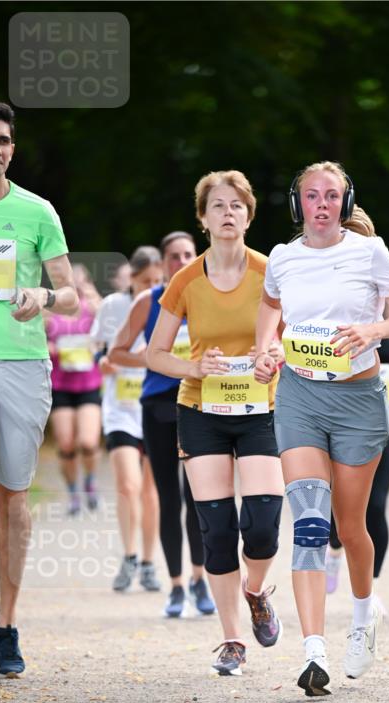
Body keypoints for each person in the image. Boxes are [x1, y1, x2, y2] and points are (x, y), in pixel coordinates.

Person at [254, 162, 389, 697]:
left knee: (350, 526)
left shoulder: (371, 252)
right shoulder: (282, 257)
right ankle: (313, 651)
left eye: (332, 195)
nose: (322, 204)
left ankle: (363, 615)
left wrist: (374, 329)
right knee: (310, 521)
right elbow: (269, 306)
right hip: (300, 396)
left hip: (359, 400)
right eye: (313, 195)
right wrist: (265, 348)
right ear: (298, 204)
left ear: (346, 201)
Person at [147, 170, 284, 676]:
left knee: (263, 524)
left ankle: (256, 592)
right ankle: (232, 641)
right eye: (218, 206)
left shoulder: (271, 272)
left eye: (237, 205)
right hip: (201, 410)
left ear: (249, 216)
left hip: (261, 408)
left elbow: (293, 338)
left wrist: (275, 354)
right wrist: (194, 367)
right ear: (203, 218)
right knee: (217, 529)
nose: (228, 213)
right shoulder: (186, 280)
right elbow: (154, 354)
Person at [0, 101, 78, 678]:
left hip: (22, 366)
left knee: (13, 499)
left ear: (12, 149)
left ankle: (7, 622)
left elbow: (71, 295)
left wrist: (42, 296)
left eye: (2, 140)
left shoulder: (37, 211)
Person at [108, 231, 215, 618]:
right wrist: (154, 357)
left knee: (200, 497)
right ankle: (175, 585)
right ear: (162, 263)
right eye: (173, 256)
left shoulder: (210, 295)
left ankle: (200, 579)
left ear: (197, 256)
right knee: (169, 497)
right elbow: (116, 352)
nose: (181, 261)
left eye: (188, 254)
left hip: (203, 402)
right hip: (159, 405)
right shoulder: (148, 301)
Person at [324, 209, 389, 604]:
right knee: (340, 506)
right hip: (336, 415)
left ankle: (370, 590)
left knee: (376, 504)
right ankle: (335, 551)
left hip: (385, 417)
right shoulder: (329, 303)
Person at [91, 245, 163, 592]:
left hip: (153, 407)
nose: (151, 287)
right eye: (145, 281)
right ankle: (130, 554)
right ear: (131, 277)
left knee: (150, 490)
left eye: (157, 281)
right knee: (127, 486)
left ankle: (148, 562)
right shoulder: (112, 306)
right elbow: (96, 347)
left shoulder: (167, 304)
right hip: (120, 410)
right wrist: (103, 362)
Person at [45, 263, 103, 515]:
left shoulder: (93, 309)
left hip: (89, 384)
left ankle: (90, 480)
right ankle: (72, 493)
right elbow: (34, 337)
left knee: (88, 442)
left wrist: (91, 295)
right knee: (66, 445)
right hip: (61, 384)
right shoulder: (51, 310)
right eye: (71, 282)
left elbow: (112, 326)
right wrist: (50, 347)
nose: (76, 286)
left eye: (81, 282)